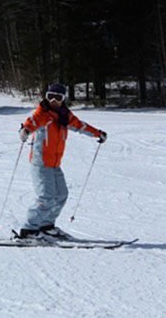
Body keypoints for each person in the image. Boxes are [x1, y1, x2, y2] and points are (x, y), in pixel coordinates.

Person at [16, 83, 107, 240]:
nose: (53, 101)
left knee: (61, 195)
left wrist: (97, 133)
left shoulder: (65, 115)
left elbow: (80, 125)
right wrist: (25, 131)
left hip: (55, 163)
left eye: (58, 97)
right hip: (41, 163)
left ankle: (46, 225)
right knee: (45, 197)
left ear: (63, 99)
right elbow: (31, 123)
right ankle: (28, 230)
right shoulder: (42, 114)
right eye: (50, 97)